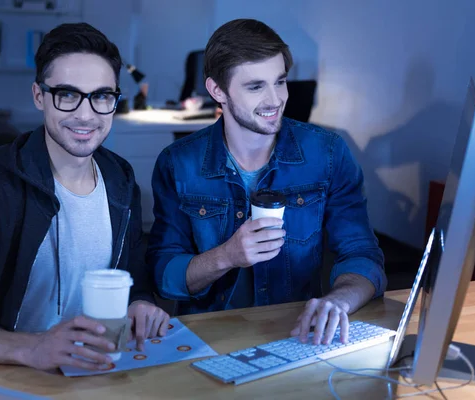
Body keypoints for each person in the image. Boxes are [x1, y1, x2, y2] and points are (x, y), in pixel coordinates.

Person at [0, 23, 169, 372]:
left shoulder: (121, 179)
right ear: (38, 96)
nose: (86, 114)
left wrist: (140, 302)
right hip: (13, 377)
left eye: (102, 96)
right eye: (67, 94)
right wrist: (32, 348)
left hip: (99, 372)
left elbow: (132, 272)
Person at [147, 19, 386, 346]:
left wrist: (339, 300)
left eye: (280, 81)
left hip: (295, 334)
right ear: (217, 90)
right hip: (206, 340)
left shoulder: (327, 153)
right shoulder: (178, 163)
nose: (275, 100)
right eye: (256, 86)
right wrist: (227, 256)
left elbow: (362, 254)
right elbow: (164, 275)